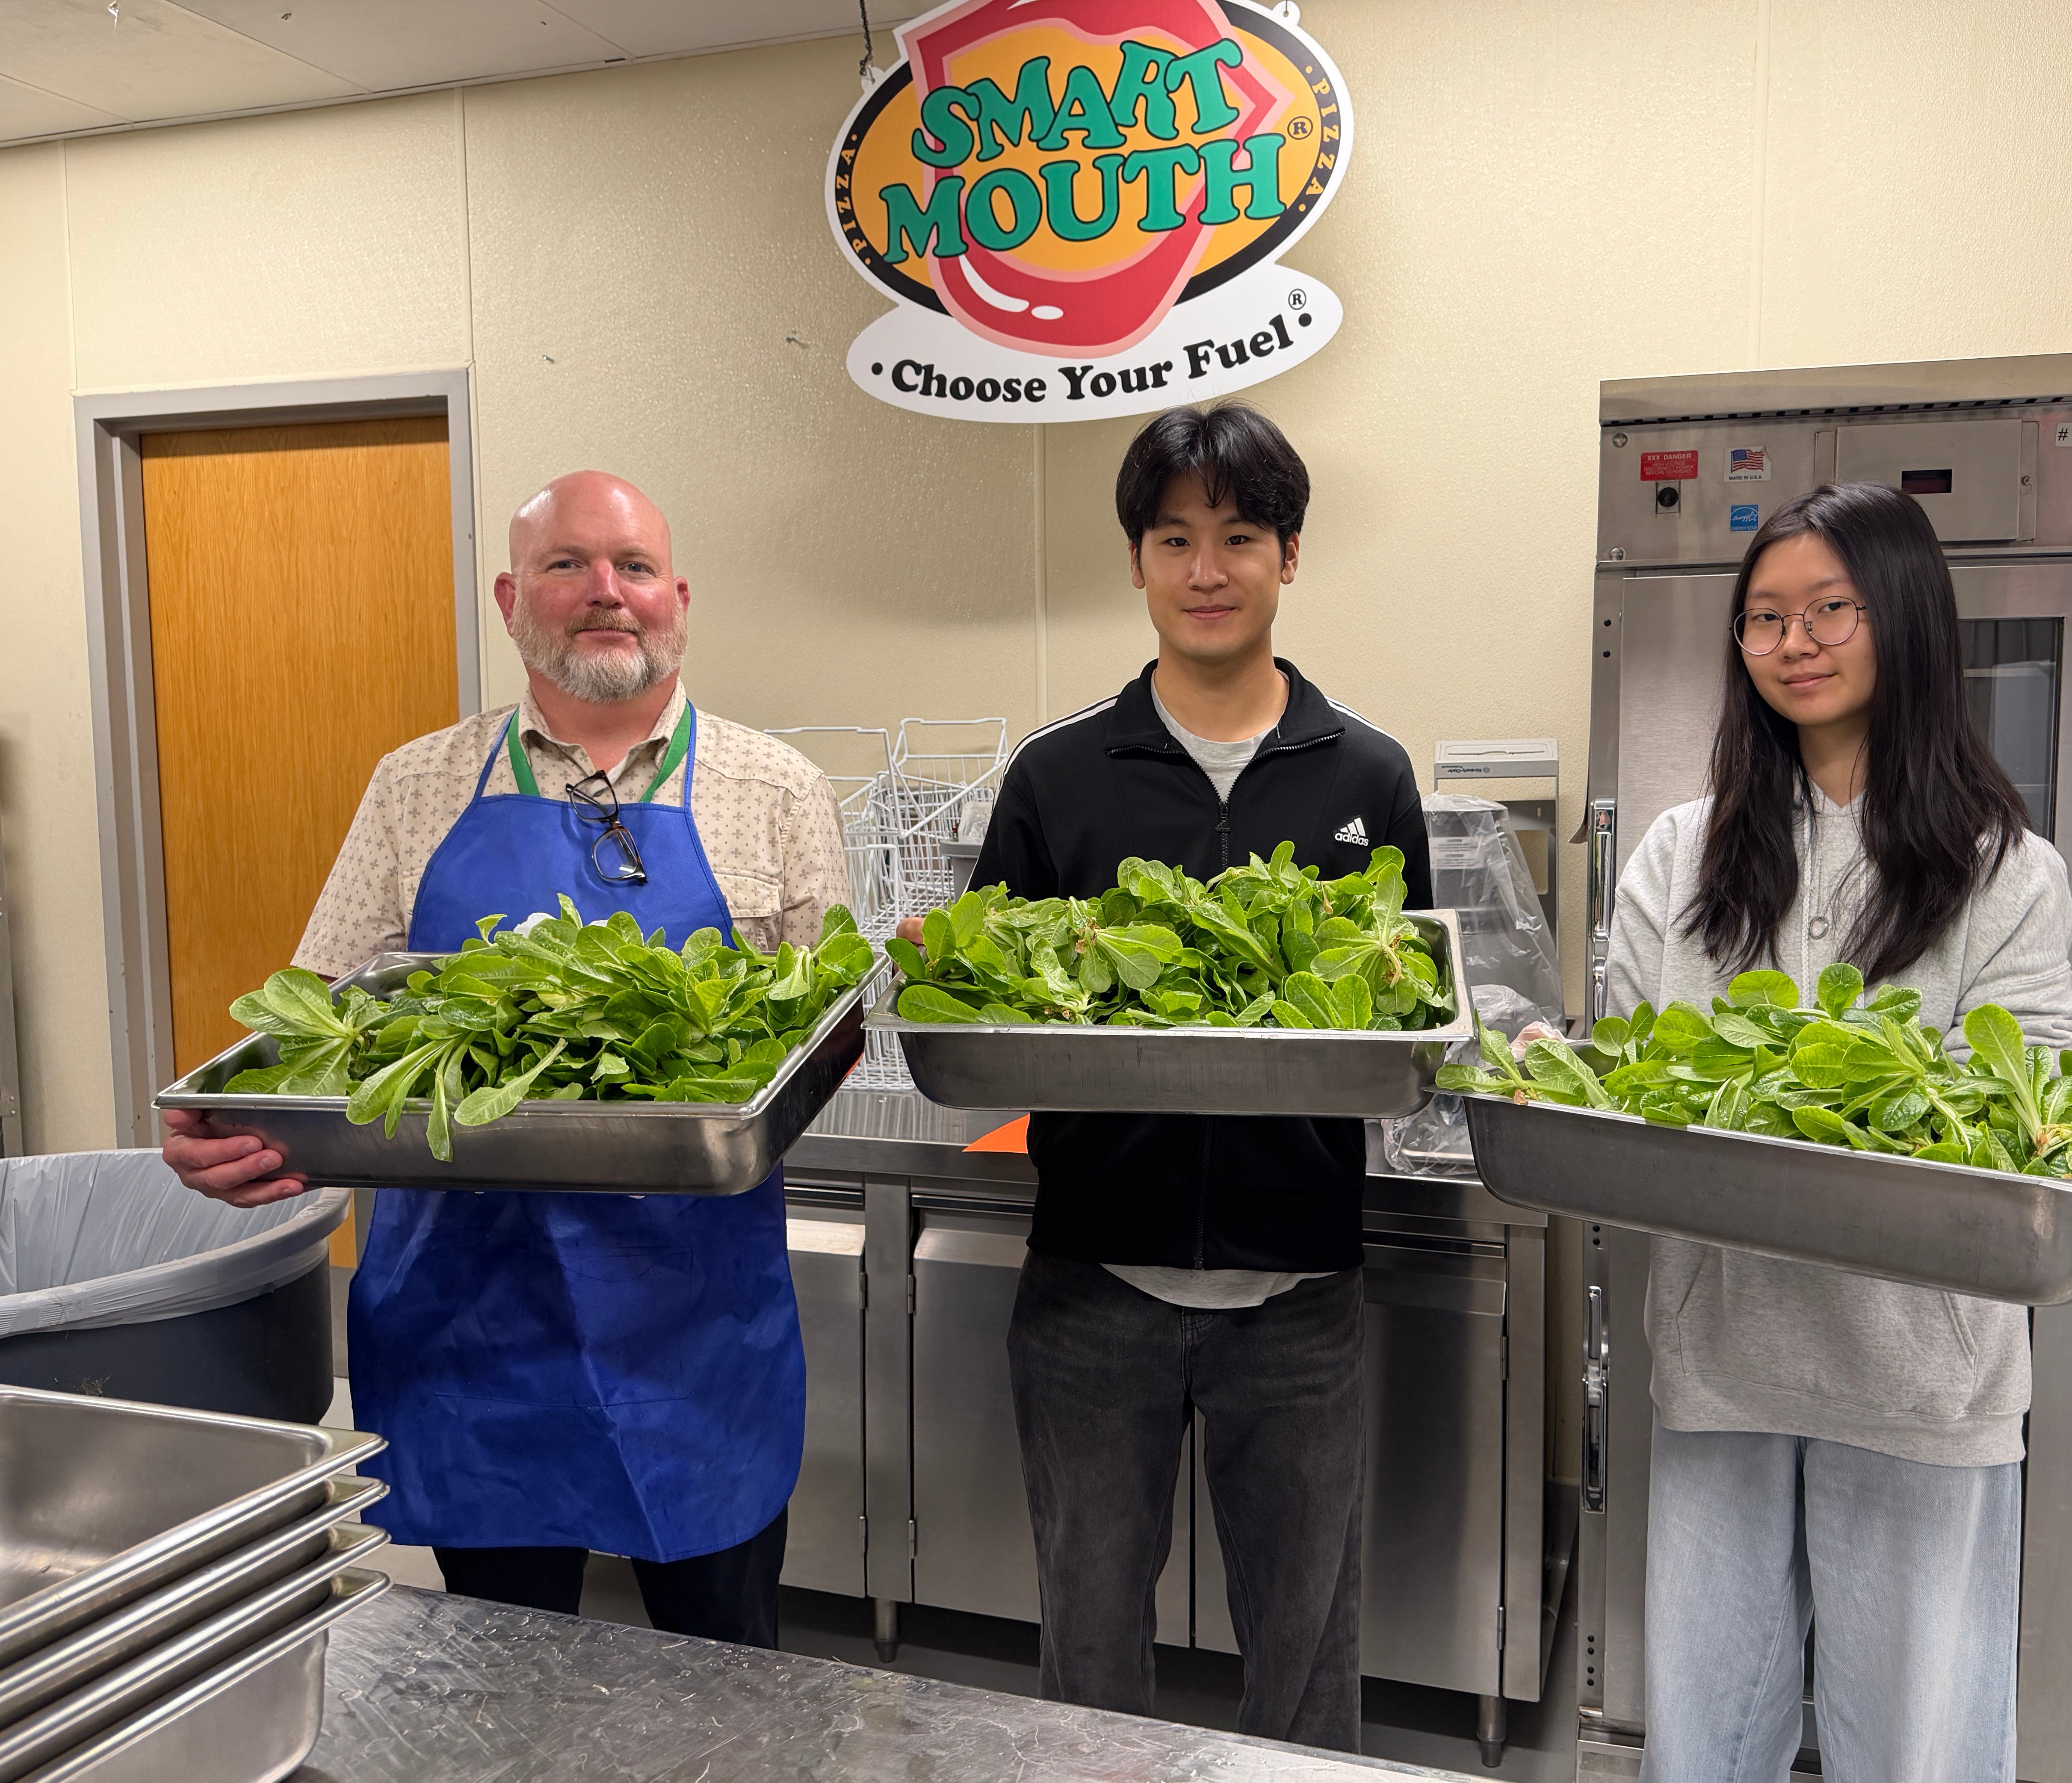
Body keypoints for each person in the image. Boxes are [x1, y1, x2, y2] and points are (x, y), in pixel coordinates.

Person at [160, 471, 849, 1649]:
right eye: (567, 565)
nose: (606, 595)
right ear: (510, 596)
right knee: (500, 1673)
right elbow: (319, 1020)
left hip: (691, 1327)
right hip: (467, 1320)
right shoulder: (416, 783)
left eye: (634, 568)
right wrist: (242, 1122)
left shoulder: (776, 788)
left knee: (725, 1677)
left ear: (677, 597)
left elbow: (820, 1039)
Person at [1593, 482, 2072, 1783]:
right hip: (1723, 1354)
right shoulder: (1680, 855)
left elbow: (2021, 1104)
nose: (1793, 642)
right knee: (1703, 1741)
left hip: (1923, 1377)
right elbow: (1631, 1078)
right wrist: (1568, 1079)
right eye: (1764, 617)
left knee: (1917, 1747)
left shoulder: (2001, 870)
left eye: (1829, 609)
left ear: (1904, 624)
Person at [953, 403, 1429, 1751]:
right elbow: (984, 1010)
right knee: (1090, 1652)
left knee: (1306, 1664)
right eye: (1174, 538)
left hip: (1300, 1300)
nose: (1205, 568)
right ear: (1136, 561)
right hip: (1094, 1289)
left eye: (1237, 537)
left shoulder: (1366, 778)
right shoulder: (1057, 777)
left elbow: (1406, 1020)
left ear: (1289, 556)